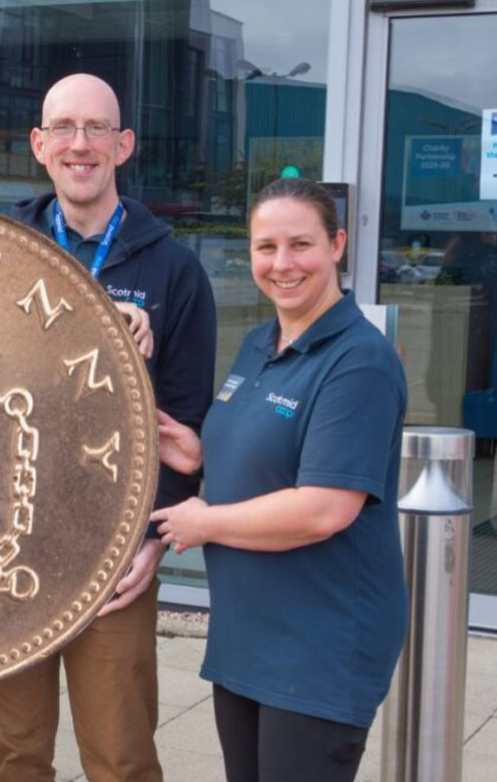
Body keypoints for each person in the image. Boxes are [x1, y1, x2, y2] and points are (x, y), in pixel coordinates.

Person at [0, 73, 217, 782]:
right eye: (65, 128)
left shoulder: (174, 272)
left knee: (122, 760)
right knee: (12, 759)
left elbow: (187, 433)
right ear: (40, 145)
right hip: (0, 549)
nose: (81, 144)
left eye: (97, 128)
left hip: (114, 556)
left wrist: (153, 544)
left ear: (123, 144)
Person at [151, 177, 408, 782]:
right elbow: (271, 456)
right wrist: (198, 454)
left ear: (338, 244)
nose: (282, 264)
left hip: (319, 643)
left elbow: (325, 508)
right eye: (266, 247)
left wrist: (204, 521)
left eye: (301, 245)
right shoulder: (258, 345)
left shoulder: (358, 361)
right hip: (248, 636)